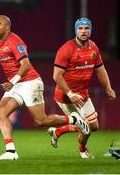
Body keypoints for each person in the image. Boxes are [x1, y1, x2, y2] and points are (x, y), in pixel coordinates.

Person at [0, 15, 89, 160]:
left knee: (40, 121)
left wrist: (13, 81)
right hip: (15, 84)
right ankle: (11, 152)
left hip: (30, 82)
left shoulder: (15, 41)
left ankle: (73, 120)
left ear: (7, 27)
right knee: (0, 114)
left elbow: (26, 65)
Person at [48, 17, 116, 158]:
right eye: (80, 28)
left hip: (83, 95)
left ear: (90, 30)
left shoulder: (93, 47)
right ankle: (83, 150)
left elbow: (100, 70)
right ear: (76, 31)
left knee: (94, 126)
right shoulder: (66, 49)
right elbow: (56, 75)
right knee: (86, 129)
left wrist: (108, 88)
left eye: (86, 28)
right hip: (66, 96)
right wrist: (70, 93)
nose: (83, 31)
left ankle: (57, 132)